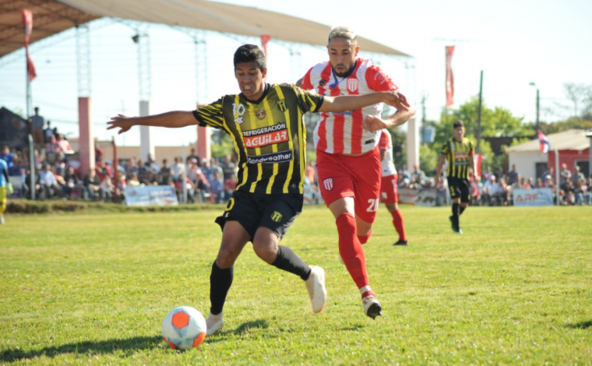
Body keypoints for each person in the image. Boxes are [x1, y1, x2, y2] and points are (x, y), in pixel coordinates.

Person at [107, 44, 408, 334]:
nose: (246, 79)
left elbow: (336, 103)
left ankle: (310, 274)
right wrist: (136, 120)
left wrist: (382, 96)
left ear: (264, 72)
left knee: (264, 247)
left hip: (285, 191)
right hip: (249, 192)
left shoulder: (288, 96)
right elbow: (186, 117)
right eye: (240, 73)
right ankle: (214, 318)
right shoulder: (230, 107)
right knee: (226, 253)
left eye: (252, 73)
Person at [298, 26, 414, 319]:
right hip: (330, 158)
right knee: (345, 223)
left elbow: (407, 108)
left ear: (356, 51)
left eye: (345, 52)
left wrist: (386, 123)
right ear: (327, 52)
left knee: (361, 232)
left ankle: (353, 250)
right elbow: (293, 95)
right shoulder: (318, 73)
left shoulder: (370, 74)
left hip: (366, 161)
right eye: (334, 52)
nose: (339, 58)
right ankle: (367, 294)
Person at [434, 120, 479, 233]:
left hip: (464, 176)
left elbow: (471, 160)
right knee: (456, 199)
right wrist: (437, 176)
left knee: (465, 203)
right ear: (453, 131)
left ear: (464, 130)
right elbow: (441, 161)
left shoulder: (469, 144)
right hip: (452, 176)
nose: (459, 131)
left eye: (461, 129)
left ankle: (454, 218)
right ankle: (457, 227)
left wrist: (475, 173)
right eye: (457, 129)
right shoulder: (448, 144)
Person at [378, 129, 408, 246]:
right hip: (375, 174)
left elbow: (381, 154)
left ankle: (403, 238)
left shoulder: (382, 132)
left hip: (386, 174)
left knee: (392, 206)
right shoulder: (370, 132)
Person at [0, 158, 12, 224]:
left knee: (2, 202)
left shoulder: (2, 163)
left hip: (1, 185)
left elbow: (5, 174)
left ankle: (0, 214)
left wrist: (9, 184)